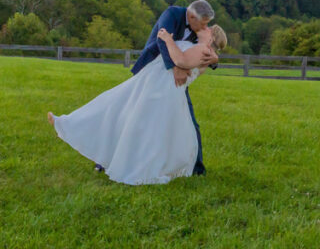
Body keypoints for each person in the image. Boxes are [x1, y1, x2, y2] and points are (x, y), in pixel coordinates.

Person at [47, 23, 227, 185]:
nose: (204, 28)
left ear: (211, 36)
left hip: (161, 89)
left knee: (120, 110)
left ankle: (75, 128)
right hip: (161, 87)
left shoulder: (202, 51)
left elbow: (180, 60)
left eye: (207, 28)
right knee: (126, 114)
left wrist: (167, 39)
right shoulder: (206, 54)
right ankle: (81, 134)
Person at [129, 0, 218, 175]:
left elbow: (206, 49)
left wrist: (215, 61)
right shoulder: (172, 14)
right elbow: (161, 41)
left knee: (189, 122)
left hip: (176, 85)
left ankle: (196, 168)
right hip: (152, 74)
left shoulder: (197, 31)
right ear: (192, 16)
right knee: (134, 118)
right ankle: (109, 160)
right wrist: (175, 68)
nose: (205, 27)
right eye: (203, 23)